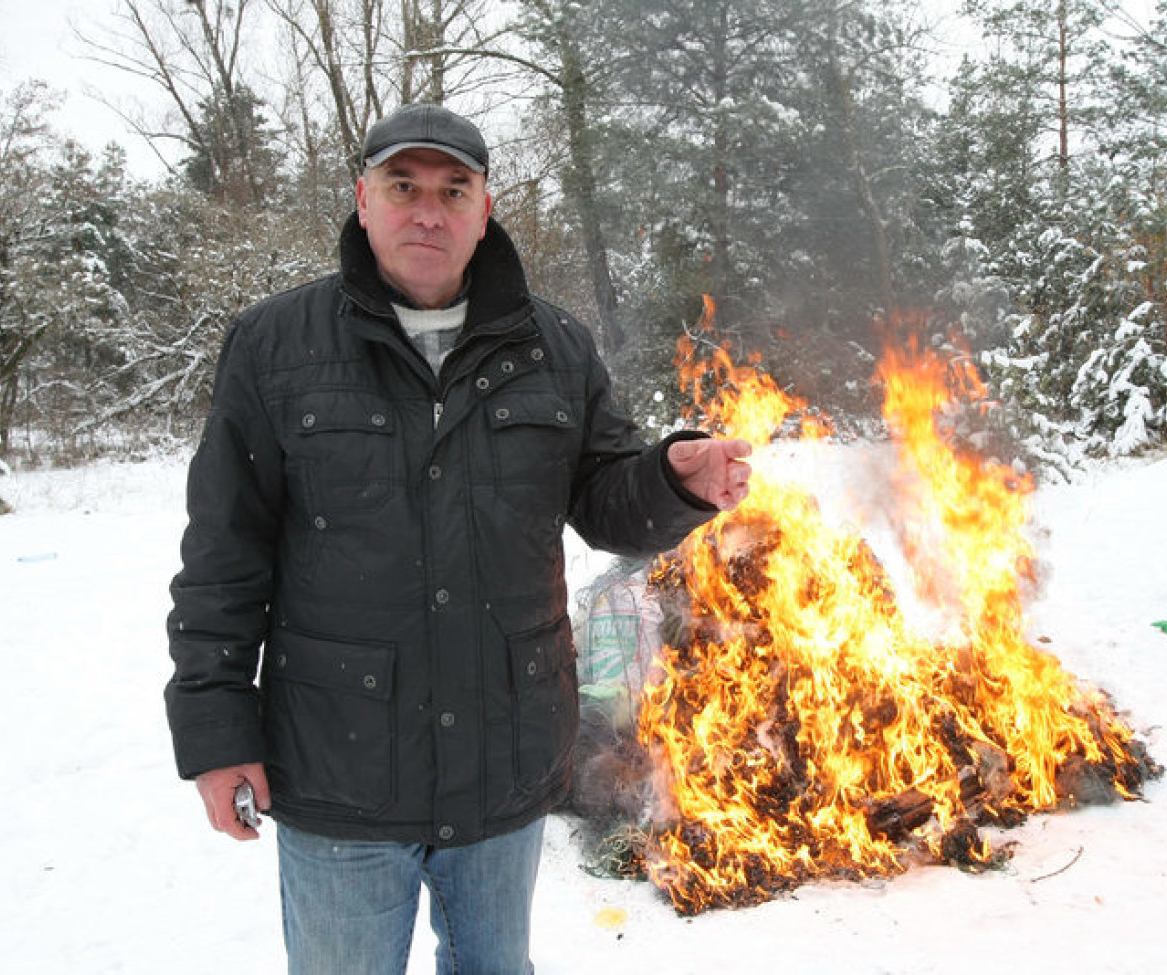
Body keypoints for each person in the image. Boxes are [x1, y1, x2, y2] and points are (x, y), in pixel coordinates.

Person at [164, 102, 751, 975]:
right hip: (339, 773)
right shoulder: (275, 348)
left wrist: (671, 479)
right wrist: (216, 734)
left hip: (501, 765)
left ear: (485, 208)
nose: (427, 211)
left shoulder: (555, 347)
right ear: (364, 200)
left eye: (453, 189)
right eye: (404, 187)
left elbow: (603, 498)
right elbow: (223, 553)